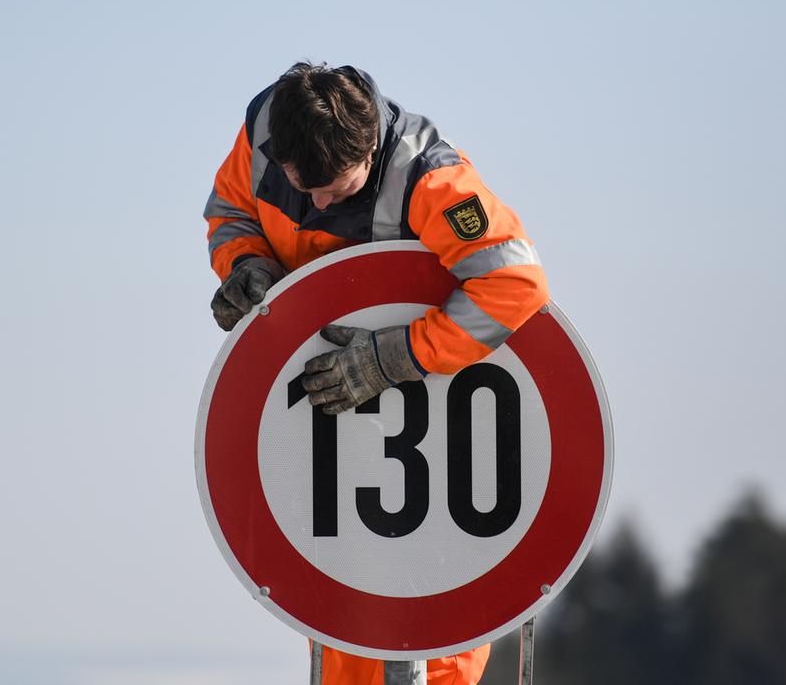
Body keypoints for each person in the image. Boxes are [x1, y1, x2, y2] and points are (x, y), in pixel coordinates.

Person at [203, 62, 549, 685]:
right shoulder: (263, 131)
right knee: (343, 637)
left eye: (334, 187)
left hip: (440, 455)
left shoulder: (431, 177)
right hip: (329, 451)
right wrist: (245, 264)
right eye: (297, 182)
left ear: (369, 148)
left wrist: (396, 358)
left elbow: (514, 284)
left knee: (440, 648)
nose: (316, 202)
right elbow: (230, 213)